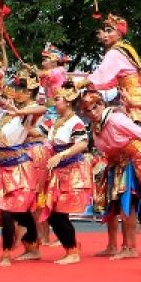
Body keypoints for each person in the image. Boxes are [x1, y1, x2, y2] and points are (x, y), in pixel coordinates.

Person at [81, 90, 141, 262]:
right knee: (123, 207)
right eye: (88, 110)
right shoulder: (96, 126)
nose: (92, 112)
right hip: (119, 164)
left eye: (95, 107)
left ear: (101, 105)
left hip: (139, 159)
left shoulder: (115, 119)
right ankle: (128, 247)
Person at [0, 67, 45, 266]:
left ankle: (6, 254)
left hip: (19, 169)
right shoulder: (1, 115)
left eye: (20, 89)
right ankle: (32, 247)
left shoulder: (25, 113)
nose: (15, 93)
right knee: (17, 212)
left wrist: (19, 111)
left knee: (8, 210)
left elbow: (43, 109)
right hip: (3, 168)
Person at [41, 82, 92, 265]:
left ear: (68, 101)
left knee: (60, 213)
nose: (55, 103)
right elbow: (37, 133)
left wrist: (61, 154)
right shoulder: (55, 121)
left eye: (58, 99)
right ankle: (70, 248)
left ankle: (72, 252)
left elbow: (82, 143)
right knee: (54, 214)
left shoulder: (75, 122)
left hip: (70, 171)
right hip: (57, 172)